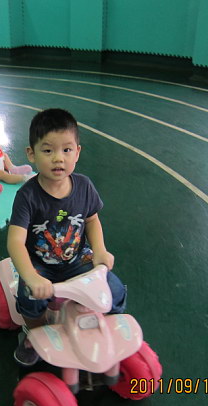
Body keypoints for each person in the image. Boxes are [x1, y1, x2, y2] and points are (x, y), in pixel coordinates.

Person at [7, 108, 127, 366]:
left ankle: (108, 328)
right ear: (31, 153)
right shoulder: (27, 196)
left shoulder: (84, 186)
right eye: (48, 150)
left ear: (77, 152)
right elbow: (15, 241)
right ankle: (35, 333)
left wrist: (100, 251)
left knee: (115, 289)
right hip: (41, 265)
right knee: (30, 296)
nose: (58, 158)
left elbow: (92, 220)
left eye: (66, 150)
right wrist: (31, 276)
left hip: (77, 259)